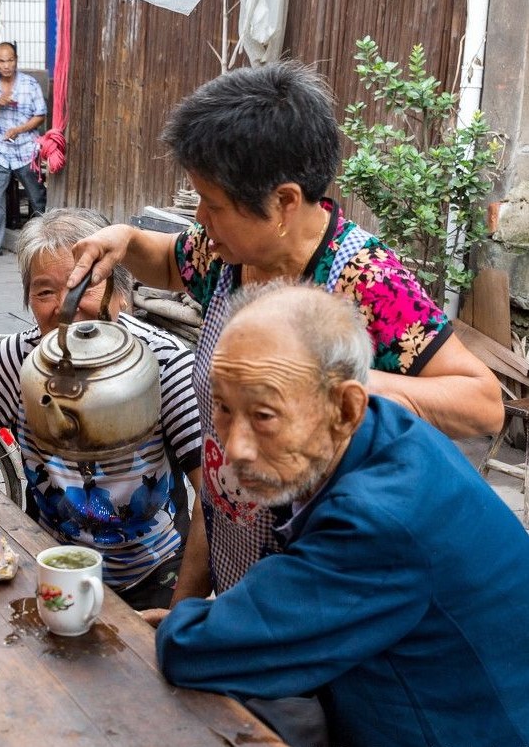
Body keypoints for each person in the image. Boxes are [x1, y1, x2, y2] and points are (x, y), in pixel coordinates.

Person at [68, 61, 503, 604]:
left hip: (321, 585)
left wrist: (332, 385)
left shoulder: (366, 280)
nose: (200, 219)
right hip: (232, 557)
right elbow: (168, 261)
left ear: (285, 202)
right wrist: (125, 240)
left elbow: (483, 403)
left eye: (215, 204)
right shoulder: (226, 255)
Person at [154, 284, 529, 747]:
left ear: (345, 407)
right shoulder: (385, 430)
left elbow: (190, 650)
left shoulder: (376, 522)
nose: (234, 447)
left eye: (265, 416)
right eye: (225, 409)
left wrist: (188, 624)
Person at [0, 209, 202, 609]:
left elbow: (216, 498)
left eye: (82, 286)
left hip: (152, 578)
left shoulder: (160, 364)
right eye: (44, 292)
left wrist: (182, 611)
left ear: (121, 292)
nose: (65, 307)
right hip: (49, 568)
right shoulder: (19, 360)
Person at [0, 41, 47, 259]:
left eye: (10, 60)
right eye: (2, 61)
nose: (7, 65)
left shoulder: (30, 84)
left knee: (37, 198)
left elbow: (40, 115)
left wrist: (20, 129)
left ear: (16, 60)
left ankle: (43, 244)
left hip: (26, 151)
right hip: (0, 152)